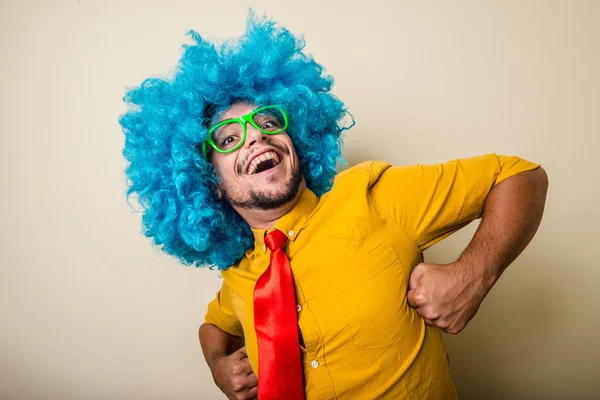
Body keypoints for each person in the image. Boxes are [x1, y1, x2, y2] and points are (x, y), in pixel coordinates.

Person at [120, 15, 548, 400]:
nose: (256, 137)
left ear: (299, 140)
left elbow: (518, 175)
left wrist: (473, 274)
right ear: (207, 182)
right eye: (229, 138)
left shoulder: (372, 194)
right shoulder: (239, 270)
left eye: (269, 123)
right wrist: (219, 366)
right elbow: (213, 326)